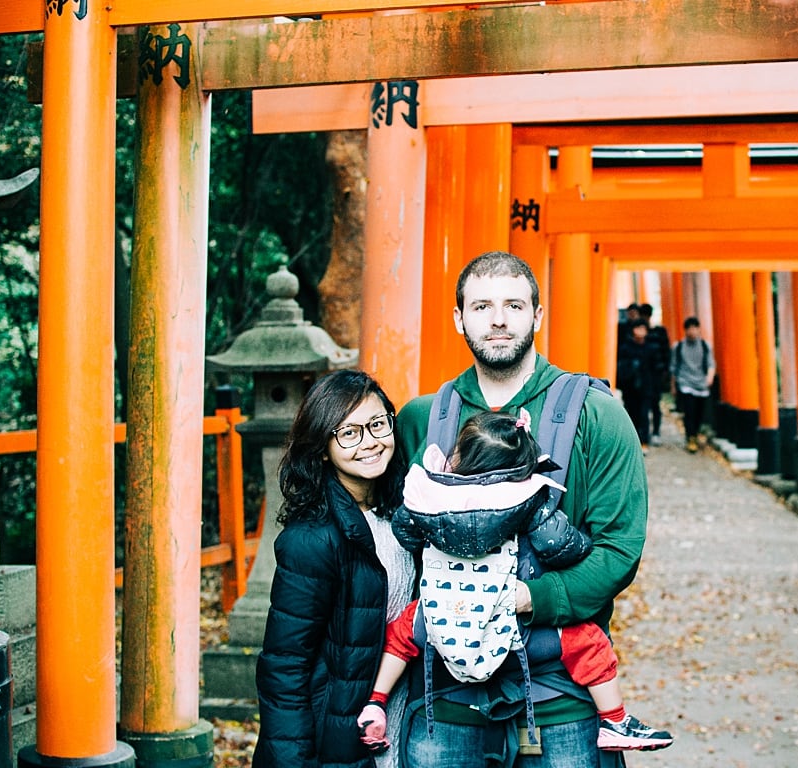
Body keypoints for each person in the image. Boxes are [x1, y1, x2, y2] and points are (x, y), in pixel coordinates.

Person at [395, 250, 651, 768]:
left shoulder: (597, 415)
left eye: (514, 305)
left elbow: (619, 549)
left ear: (537, 315)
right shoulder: (422, 418)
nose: (497, 319)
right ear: (459, 319)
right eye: (482, 305)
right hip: (445, 688)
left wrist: (528, 598)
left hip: (561, 687)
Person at [356, 410, 672, 755]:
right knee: (588, 641)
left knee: (401, 634)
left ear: (457, 458)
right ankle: (615, 720)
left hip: (440, 617)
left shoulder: (429, 496)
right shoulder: (527, 499)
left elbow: (405, 530)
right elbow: (560, 545)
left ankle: (376, 701)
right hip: (511, 626)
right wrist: (581, 545)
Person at [252, 370, 416, 768]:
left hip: (402, 713)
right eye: (349, 433)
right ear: (323, 448)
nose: (370, 442)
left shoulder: (407, 514)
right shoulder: (311, 540)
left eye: (378, 424)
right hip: (337, 734)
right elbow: (285, 666)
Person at [671, 316, 717, 453]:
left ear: (698, 329)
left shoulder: (705, 346)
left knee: (699, 414)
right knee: (689, 413)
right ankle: (690, 437)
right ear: (685, 330)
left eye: (694, 328)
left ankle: (694, 434)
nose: (692, 331)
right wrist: (673, 386)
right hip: (685, 384)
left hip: (701, 384)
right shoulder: (678, 347)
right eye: (689, 328)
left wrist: (709, 377)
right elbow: (674, 368)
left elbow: (711, 364)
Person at [615, 319, 662, 450]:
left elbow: (656, 369)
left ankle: (644, 441)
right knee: (632, 414)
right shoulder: (626, 348)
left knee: (644, 414)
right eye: (637, 328)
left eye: (643, 329)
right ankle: (633, 440)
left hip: (646, 387)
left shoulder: (652, 348)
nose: (640, 332)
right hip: (629, 387)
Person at [637, 304, 671, 445]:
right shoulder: (656, 333)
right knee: (651, 406)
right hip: (651, 376)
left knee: (652, 405)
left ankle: (653, 432)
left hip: (653, 375)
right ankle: (653, 432)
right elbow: (666, 354)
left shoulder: (656, 334)